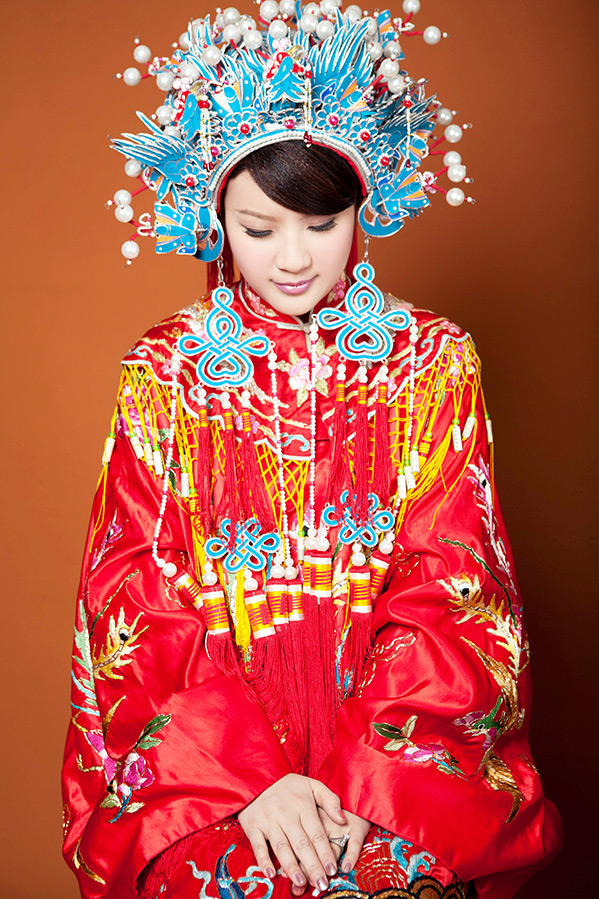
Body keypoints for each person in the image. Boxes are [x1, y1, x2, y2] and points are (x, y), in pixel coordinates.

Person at [62, 6, 563, 899]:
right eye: (258, 230)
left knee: (387, 877)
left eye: (321, 225)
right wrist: (247, 777)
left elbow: (455, 575)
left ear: (361, 211)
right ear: (213, 218)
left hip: (396, 766)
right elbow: (133, 585)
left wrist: (366, 777)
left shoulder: (432, 358)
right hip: (211, 772)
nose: (292, 259)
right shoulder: (165, 369)